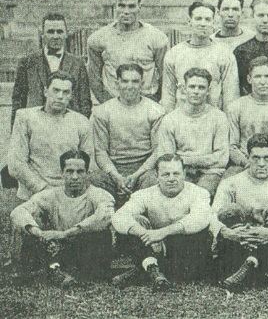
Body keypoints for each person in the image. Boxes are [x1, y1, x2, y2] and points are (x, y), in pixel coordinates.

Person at [212, 134, 268, 291]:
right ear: (248, 158)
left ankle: (249, 269)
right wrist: (227, 232)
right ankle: (261, 272)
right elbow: (212, 215)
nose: (261, 164)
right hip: (239, 239)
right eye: (255, 158)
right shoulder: (231, 183)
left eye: (267, 158)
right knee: (229, 211)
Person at [10, 150, 114, 287]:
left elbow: (104, 216)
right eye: (69, 171)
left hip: (86, 248)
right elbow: (18, 211)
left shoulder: (99, 194)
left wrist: (65, 234)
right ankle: (52, 270)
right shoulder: (51, 195)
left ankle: (57, 270)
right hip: (58, 248)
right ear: (62, 173)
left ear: (88, 174)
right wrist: (39, 233)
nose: (75, 177)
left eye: (80, 171)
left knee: (99, 235)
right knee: (27, 225)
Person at [111, 154, 213, 291]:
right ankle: (154, 271)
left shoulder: (198, 193)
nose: (171, 179)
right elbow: (119, 216)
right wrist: (144, 233)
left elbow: (200, 218)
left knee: (200, 237)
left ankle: (145, 271)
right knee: (135, 222)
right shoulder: (145, 194)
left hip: (184, 248)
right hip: (154, 246)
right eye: (165, 174)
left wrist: (162, 233)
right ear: (156, 175)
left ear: (184, 173)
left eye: (176, 173)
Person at [8, 71, 94, 201]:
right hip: (34, 195)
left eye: (66, 92)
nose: (60, 96)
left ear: (71, 96)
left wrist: (68, 193)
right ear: (45, 91)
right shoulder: (25, 118)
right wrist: (43, 189)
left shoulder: (81, 122)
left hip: (69, 194)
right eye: (56, 90)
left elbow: (88, 164)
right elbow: (16, 164)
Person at [91, 63, 165, 204]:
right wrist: (115, 176)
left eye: (135, 81)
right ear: (117, 82)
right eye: (125, 81)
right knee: (94, 180)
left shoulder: (155, 111)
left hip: (144, 169)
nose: (130, 86)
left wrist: (137, 175)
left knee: (153, 181)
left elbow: (158, 150)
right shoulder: (103, 111)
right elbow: (100, 151)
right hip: (114, 168)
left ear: (142, 83)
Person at [87, 0, 169, 103]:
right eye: (121, 6)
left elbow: (164, 76)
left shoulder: (157, 38)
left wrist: (152, 101)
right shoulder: (98, 38)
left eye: (131, 6)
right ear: (115, 7)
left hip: (146, 102)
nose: (126, 11)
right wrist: (108, 103)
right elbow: (94, 77)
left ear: (139, 7)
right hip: (112, 101)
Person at [157, 68, 229, 198]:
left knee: (200, 195)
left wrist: (185, 159)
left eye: (201, 87)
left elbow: (221, 159)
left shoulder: (219, 117)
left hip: (210, 172)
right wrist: (199, 160)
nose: (196, 91)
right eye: (192, 86)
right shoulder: (170, 119)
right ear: (184, 89)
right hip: (180, 172)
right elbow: (167, 159)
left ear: (208, 91)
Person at [11, 13, 91, 127]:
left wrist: (79, 130)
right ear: (42, 34)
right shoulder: (27, 62)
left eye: (59, 31)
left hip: (68, 128)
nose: (55, 36)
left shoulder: (78, 63)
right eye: (50, 31)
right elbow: (18, 102)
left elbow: (85, 102)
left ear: (66, 34)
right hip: (35, 127)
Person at [161, 1, 239, 112]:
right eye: (198, 19)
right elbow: (168, 95)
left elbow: (231, 97)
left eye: (207, 19)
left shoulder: (224, 54)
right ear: (189, 21)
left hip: (213, 120)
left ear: (214, 23)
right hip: (182, 120)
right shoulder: (174, 54)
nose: (203, 24)